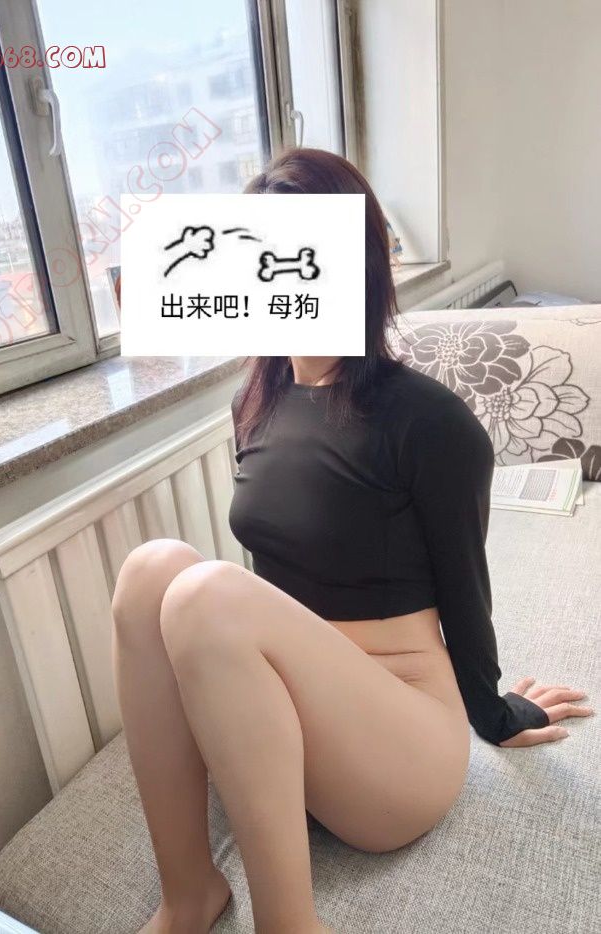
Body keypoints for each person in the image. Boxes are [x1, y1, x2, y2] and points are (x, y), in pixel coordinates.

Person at [111, 148, 593, 934]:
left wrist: (499, 712)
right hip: (290, 725)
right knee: (150, 571)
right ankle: (189, 892)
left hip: (399, 739)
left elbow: (466, 591)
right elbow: (278, 579)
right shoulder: (255, 403)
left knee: (204, 591)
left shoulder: (428, 421)